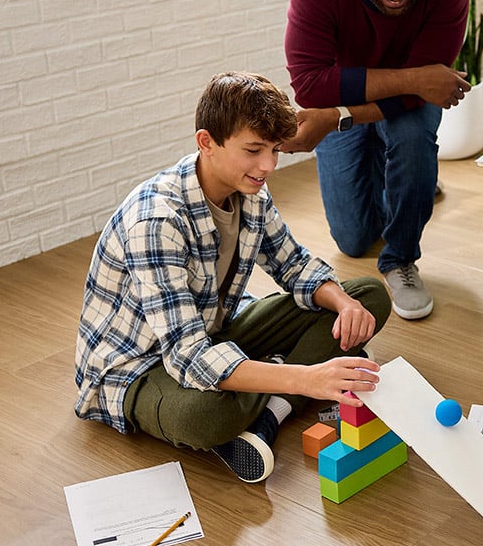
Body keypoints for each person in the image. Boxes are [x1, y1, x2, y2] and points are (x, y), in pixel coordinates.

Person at [74, 71, 392, 484]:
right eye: (254, 150)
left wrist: (346, 304)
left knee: (367, 296)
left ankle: (268, 409)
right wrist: (306, 377)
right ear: (206, 142)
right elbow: (187, 356)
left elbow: (294, 265)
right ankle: (285, 387)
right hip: (138, 367)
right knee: (206, 417)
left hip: (214, 333)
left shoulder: (251, 190)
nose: (268, 166)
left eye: (275, 150)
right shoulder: (155, 221)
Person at [282, 0, 471, 321]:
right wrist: (413, 78)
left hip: (391, 110)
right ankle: (413, 186)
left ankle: (401, 258)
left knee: (410, 135)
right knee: (352, 239)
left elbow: (427, 93)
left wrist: (339, 114)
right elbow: (311, 85)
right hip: (347, 104)